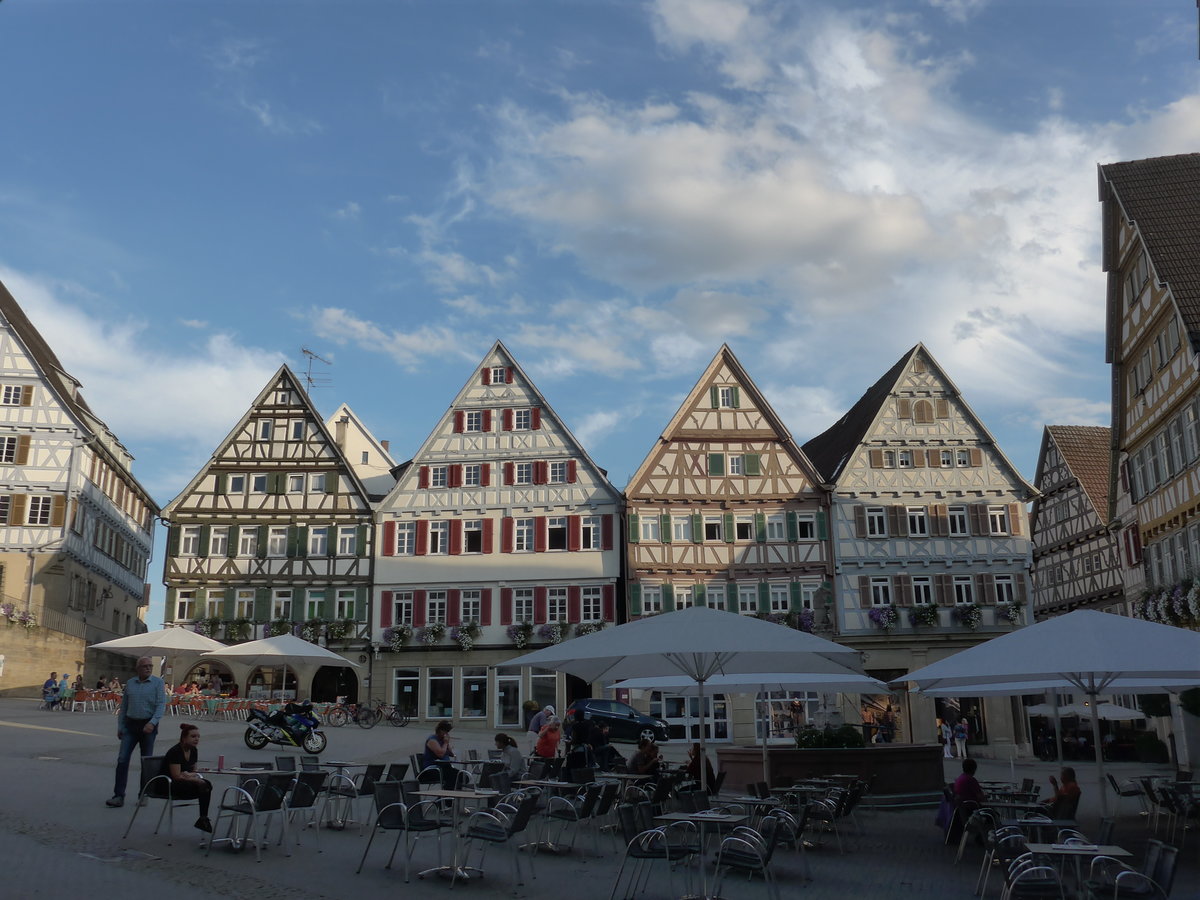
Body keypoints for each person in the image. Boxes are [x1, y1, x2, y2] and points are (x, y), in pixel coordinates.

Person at [106, 656, 166, 808]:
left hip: (148, 726)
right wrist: (120, 726)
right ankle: (119, 795)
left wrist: (152, 723)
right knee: (122, 759)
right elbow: (124, 707)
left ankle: (144, 794)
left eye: (150, 666)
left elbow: (160, 705)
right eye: (145, 666)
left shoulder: (158, 683)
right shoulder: (131, 683)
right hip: (130, 725)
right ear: (138, 668)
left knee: (146, 762)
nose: (148, 668)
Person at [161, 723, 213, 832]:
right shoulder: (175, 751)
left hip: (184, 781)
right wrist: (192, 778)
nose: (196, 739)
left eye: (198, 736)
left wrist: (189, 775)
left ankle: (203, 818)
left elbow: (194, 771)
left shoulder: (194, 750)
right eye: (193, 736)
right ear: (184, 738)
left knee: (207, 784)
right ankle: (203, 820)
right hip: (168, 784)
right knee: (202, 785)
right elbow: (176, 776)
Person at [423, 720, 457, 788]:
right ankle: (447, 796)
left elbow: (452, 754)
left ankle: (450, 795)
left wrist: (447, 744)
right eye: (446, 731)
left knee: (460, 775)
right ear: (440, 730)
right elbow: (440, 754)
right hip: (433, 769)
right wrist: (445, 743)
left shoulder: (443, 740)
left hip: (444, 767)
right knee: (454, 776)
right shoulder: (432, 740)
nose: (447, 734)